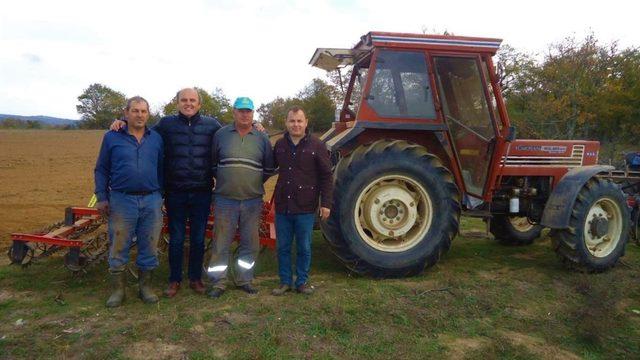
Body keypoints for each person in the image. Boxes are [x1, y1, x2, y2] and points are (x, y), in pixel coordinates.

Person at [110, 88, 221, 297]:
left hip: (202, 191)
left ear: (199, 104)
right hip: (175, 192)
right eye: (184, 100)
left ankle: (196, 278)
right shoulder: (165, 124)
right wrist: (121, 123)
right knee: (177, 238)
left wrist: (255, 125)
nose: (188, 103)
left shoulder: (212, 125)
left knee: (198, 239)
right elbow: (141, 129)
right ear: (177, 103)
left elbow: (231, 133)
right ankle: (174, 280)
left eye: (193, 100)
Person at [95, 96, 164, 307]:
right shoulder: (112, 137)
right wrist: (101, 197)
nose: (140, 115)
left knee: (150, 245)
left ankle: (145, 288)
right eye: (135, 111)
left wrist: (161, 194)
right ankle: (118, 290)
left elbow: (162, 168)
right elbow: (101, 169)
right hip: (121, 200)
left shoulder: (156, 138)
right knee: (119, 245)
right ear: (126, 113)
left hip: (151, 200)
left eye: (143, 111)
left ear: (148, 114)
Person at [206, 97, 276, 298]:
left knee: (250, 243)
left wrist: (251, 182)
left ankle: (244, 279)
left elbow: (268, 168)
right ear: (234, 112)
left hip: (252, 200)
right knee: (221, 243)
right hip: (225, 199)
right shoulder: (221, 135)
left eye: (249, 111)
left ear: (253, 114)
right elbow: (213, 164)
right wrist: (229, 180)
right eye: (241, 111)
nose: (245, 114)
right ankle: (218, 282)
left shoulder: (262, 137)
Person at [271, 106, 333, 296]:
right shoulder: (280, 145)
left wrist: (326, 203)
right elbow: (269, 167)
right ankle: (285, 282)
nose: (296, 124)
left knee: (304, 247)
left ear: (306, 122)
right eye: (292, 121)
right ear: (286, 123)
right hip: (283, 206)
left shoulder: (317, 145)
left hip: (306, 206)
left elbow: (326, 176)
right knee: (283, 246)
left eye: (299, 121)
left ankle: (302, 281)